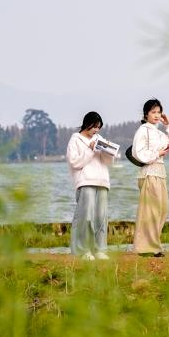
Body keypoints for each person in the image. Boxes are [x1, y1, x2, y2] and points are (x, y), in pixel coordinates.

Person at [131, 99, 169, 256]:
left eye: (158, 112)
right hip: (149, 171)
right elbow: (137, 153)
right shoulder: (143, 130)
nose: (156, 115)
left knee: (162, 210)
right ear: (146, 114)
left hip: (160, 172)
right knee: (150, 211)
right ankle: (147, 248)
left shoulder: (159, 133)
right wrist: (156, 154)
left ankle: (152, 245)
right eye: (153, 112)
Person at [66, 111, 113, 261]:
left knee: (101, 216)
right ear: (87, 124)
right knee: (85, 217)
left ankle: (100, 249)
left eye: (99, 127)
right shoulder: (76, 139)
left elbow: (108, 162)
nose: (96, 130)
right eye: (94, 127)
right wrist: (90, 149)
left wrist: (108, 150)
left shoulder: (99, 138)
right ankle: (83, 250)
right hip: (85, 182)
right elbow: (74, 162)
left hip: (102, 181)